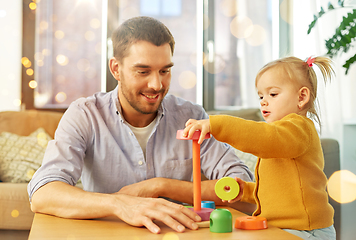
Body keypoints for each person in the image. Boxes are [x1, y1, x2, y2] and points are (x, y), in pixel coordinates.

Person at [27, 16, 254, 234]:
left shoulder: (191, 115)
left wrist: (160, 186)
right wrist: (120, 204)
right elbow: (43, 193)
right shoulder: (85, 115)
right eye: (143, 71)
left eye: (165, 71)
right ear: (116, 69)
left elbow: (243, 187)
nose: (156, 85)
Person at [183, 56, 336, 240]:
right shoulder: (281, 136)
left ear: (301, 97)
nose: (263, 101)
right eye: (261, 96)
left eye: (272, 94)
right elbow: (276, 189)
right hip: (283, 228)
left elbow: (263, 137)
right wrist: (246, 191)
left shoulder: (298, 129)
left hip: (305, 230)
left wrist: (218, 124)